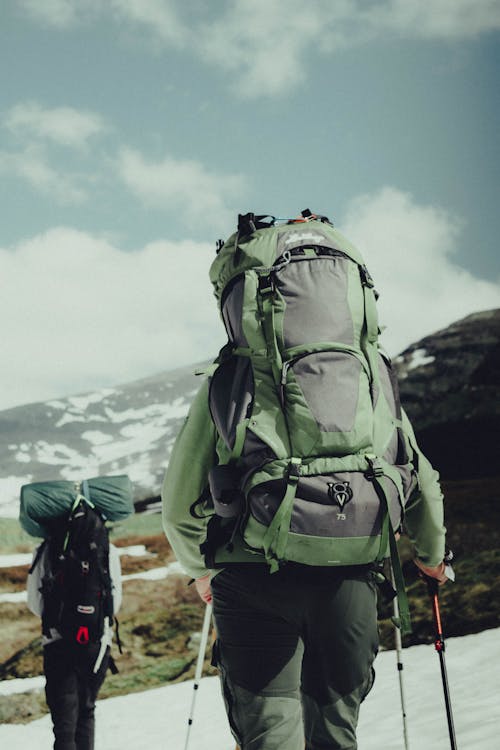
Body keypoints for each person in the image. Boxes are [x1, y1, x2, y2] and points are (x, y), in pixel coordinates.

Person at [162, 214, 448, 750]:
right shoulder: (371, 376)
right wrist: (431, 557)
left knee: (272, 735)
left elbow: (178, 505)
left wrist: (202, 572)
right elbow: (421, 480)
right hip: (352, 579)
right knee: (336, 736)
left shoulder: (232, 380)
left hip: (252, 582)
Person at [27, 517, 122, 750]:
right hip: (97, 644)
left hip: (58, 643)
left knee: (64, 724)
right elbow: (114, 602)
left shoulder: (47, 548)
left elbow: (34, 603)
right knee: (86, 711)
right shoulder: (107, 548)